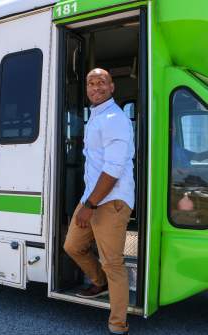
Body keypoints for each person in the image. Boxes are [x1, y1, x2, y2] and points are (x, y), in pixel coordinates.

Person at [64, 68, 135, 335]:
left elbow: (113, 169)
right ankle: (98, 282)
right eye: (91, 83)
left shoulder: (114, 118)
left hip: (110, 200)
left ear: (112, 87)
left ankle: (118, 325)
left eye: (101, 82)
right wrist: (88, 202)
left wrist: (90, 205)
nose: (96, 87)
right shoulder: (95, 116)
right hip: (92, 197)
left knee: (112, 262)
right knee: (72, 245)